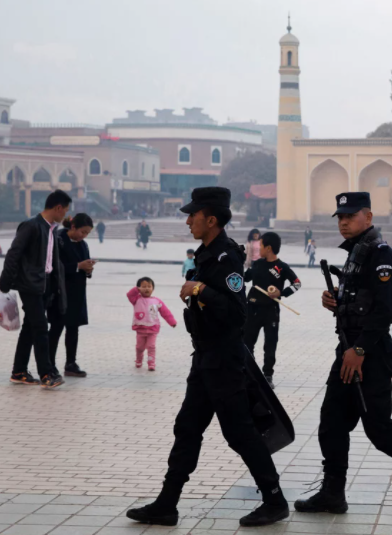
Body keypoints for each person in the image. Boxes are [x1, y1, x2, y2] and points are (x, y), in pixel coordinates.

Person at [126, 187, 289, 528]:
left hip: (224, 360)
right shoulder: (206, 254)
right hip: (205, 357)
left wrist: (200, 289)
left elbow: (236, 311)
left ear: (210, 219)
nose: (187, 221)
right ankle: (166, 504)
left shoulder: (226, 257)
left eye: (193, 215)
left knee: (240, 433)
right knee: (187, 428)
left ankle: (274, 500)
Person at [297, 192, 392, 519]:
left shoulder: (381, 255)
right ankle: (332, 493)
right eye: (339, 217)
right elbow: (361, 303)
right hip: (349, 351)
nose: (343, 222)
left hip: (370, 354)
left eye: (350, 216)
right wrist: (338, 301)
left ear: (368, 215)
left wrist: (361, 350)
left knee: (378, 429)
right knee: (331, 423)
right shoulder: (356, 254)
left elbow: (384, 311)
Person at [0, 189, 71, 389]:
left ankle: (19, 371)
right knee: (41, 327)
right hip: (30, 285)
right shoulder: (31, 226)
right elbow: (14, 253)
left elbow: (51, 260)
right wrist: (5, 283)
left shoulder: (51, 229)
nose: (65, 214)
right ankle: (47, 374)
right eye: (65, 210)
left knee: (31, 328)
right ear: (57, 208)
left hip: (44, 285)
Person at [244, 232, 301, 388]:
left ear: (268, 248)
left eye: (261, 245)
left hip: (271, 311)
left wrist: (280, 293)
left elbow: (297, 284)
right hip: (253, 308)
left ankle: (268, 375)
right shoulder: (257, 264)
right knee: (247, 341)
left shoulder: (282, 267)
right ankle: (249, 372)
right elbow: (245, 278)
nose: (258, 248)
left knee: (270, 344)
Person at [48, 213, 95, 378]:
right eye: (83, 232)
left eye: (87, 233)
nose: (84, 236)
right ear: (73, 226)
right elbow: (53, 266)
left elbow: (84, 266)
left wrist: (88, 269)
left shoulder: (83, 245)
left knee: (73, 328)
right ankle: (49, 364)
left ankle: (71, 363)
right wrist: (77, 266)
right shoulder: (58, 239)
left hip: (77, 292)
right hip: (60, 292)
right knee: (56, 328)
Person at [127, 277, 177, 371]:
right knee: (139, 347)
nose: (146, 289)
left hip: (153, 328)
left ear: (153, 288)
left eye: (149, 286)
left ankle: (151, 363)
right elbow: (129, 295)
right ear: (139, 288)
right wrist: (136, 290)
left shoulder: (157, 301)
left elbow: (165, 312)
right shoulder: (136, 300)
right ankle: (138, 360)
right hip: (140, 327)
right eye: (144, 286)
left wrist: (172, 322)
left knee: (151, 346)